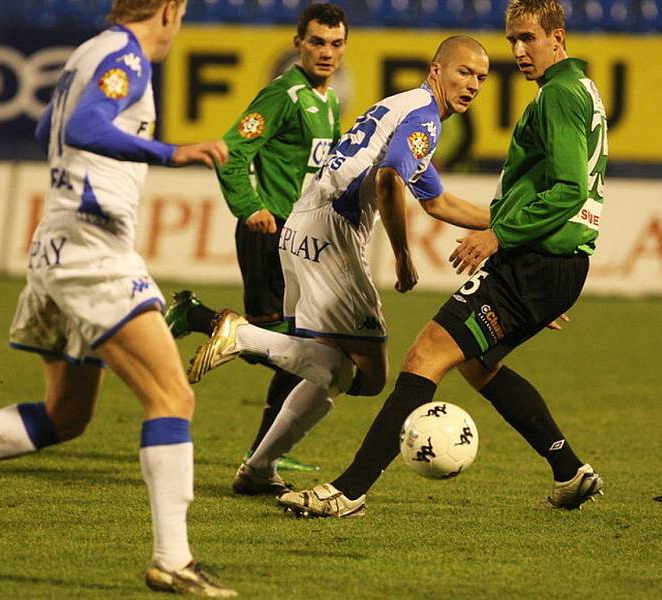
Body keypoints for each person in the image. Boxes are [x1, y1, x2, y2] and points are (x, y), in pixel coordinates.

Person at [0, 1, 237, 596]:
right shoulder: (126, 55)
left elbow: (45, 128)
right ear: (171, 10)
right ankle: (173, 559)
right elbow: (79, 129)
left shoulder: (85, 53)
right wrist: (169, 151)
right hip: (91, 248)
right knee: (171, 396)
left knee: (65, 417)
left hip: (56, 246)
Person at [277, 0, 608, 518]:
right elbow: (438, 201)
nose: (519, 51)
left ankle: (348, 490)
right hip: (547, 261)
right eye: (512, 41)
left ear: (557, 38)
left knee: (424, 355)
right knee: (478, 365)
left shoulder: (556, 98)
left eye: (528, 38)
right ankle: (569, 470)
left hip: (536, 259)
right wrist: (544, 263)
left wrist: (503, 241)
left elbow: (568, 190)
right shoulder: (583, 91)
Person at [188, 36, 492, 503]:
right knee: (369, 377)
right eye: (464, 72)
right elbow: (389, 178)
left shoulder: (403, 109)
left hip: (302, 225)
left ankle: (259, 468)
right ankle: (239, 334)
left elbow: (438, 200)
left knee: (328, 367)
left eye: (481, 78)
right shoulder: (425, 117)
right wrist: (403, 256)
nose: (472, 84)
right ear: (436, 69)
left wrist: (508, 224)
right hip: (333, 232)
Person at [164, 3, 348, 476]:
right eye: (317, 42)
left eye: (335, 43)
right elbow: (230, 154)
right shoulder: (283, 95)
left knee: (300, 345)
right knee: (282, 345)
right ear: (298, 44)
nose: (326, 52)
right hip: (269, 235)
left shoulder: (328, 100)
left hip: (303, 241)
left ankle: (266, 448)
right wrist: (251, 209)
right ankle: (196, 314)